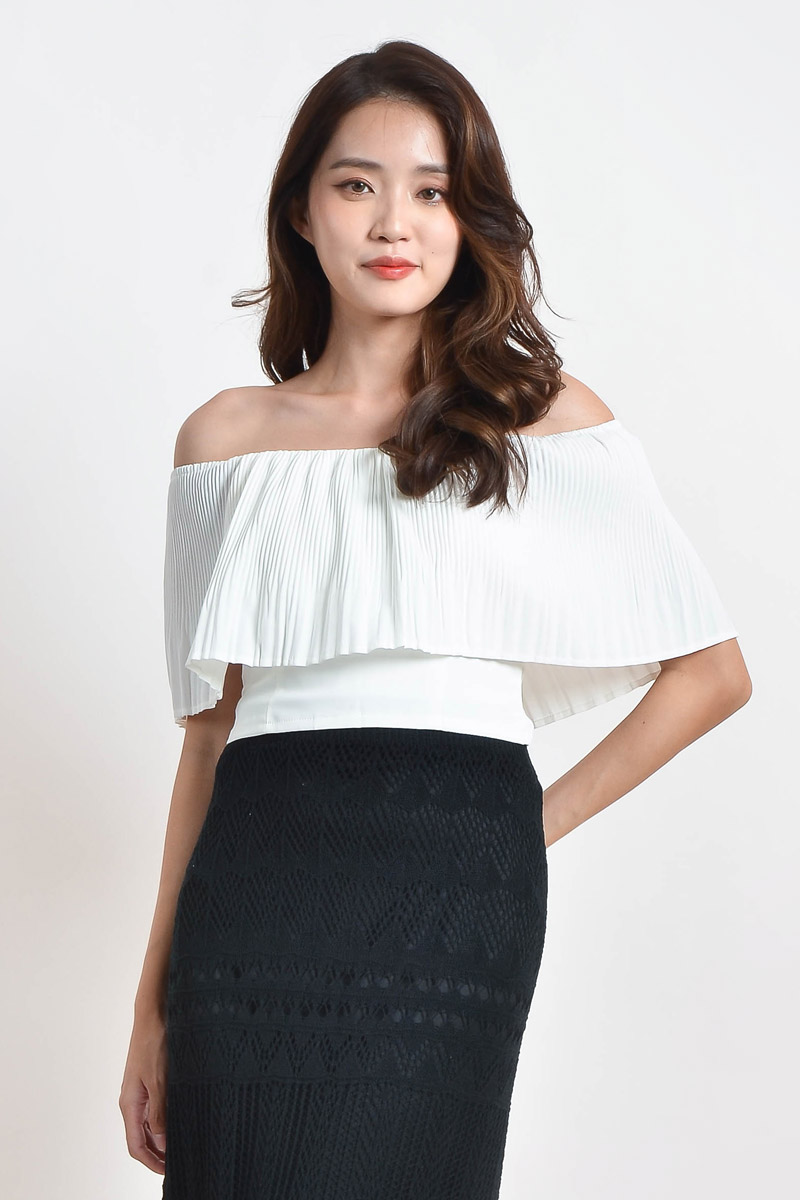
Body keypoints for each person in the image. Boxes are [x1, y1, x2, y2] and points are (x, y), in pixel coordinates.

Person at [118, 39, 752, 1200]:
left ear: (468, 219)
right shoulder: (222, 441)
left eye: (431, 191)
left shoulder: (543, 421)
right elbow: (206, 736)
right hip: (254, 886)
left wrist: (518, 833)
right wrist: (148, 1008)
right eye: (356, 185)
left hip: (456, 883)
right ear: (301, 211)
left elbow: (710, 672)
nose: (391, 223)